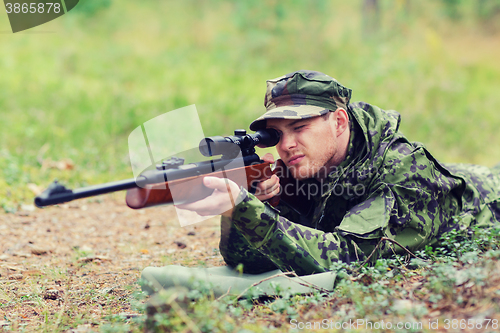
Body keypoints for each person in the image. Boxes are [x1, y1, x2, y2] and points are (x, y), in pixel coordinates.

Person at [176, 70, 500, 276]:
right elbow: (244, 261)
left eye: (300, 127)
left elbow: (348, 259)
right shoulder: (304, 167)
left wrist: (251, 212)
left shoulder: (403, 171)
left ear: (340, 122)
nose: (287, 145)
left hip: (489, 199)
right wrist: (248, 206)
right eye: (276, 135)